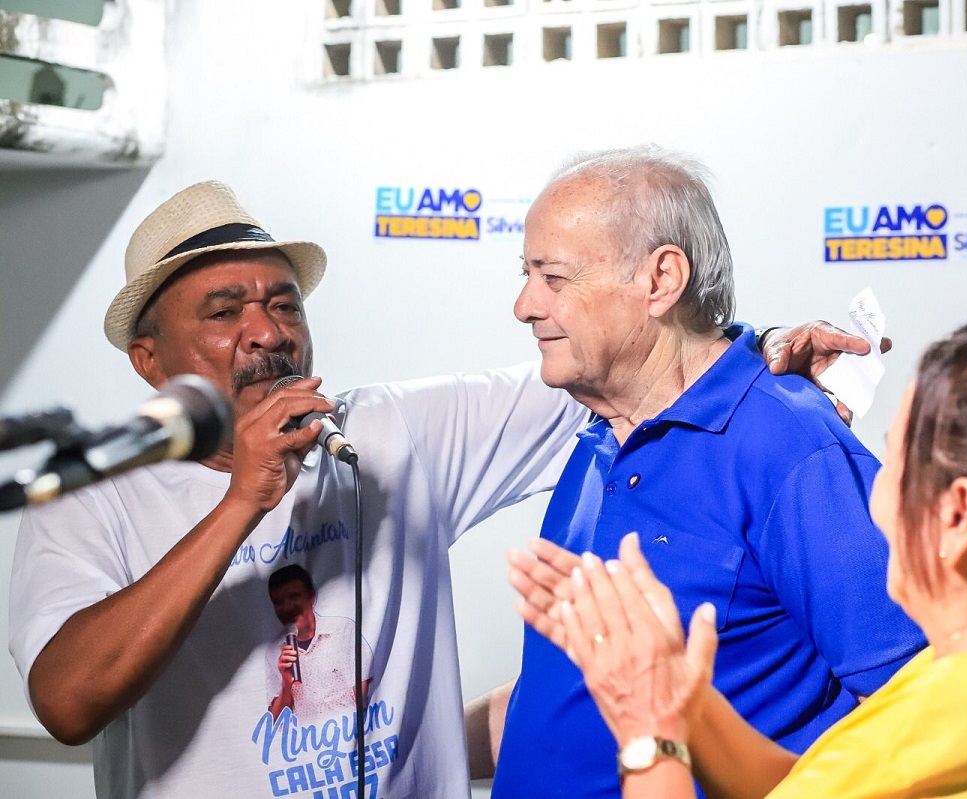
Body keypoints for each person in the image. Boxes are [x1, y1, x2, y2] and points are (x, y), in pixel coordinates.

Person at [7, 179, 863, 798]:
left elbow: (637, 357)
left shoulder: (386, 432)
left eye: (284, 303)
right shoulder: (96, 495)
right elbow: (67, 701)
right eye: (225, 312)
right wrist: (243, 503)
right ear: (149, 359)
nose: (268, 331)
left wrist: (768, 345)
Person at [516, 323, 967, 798]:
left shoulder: (966, 718)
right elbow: (826, 784)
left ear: (959, 517)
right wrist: (687, 701)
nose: (868, 492)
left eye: (891, 461)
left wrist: (649, 731)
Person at [483, 146, 924, 799]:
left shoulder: (792, 448)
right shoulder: (601, 430)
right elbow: (574, 687)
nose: (524, 304)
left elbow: (916, 721)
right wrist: (406, 741)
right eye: (525, 273)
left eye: (553, 276)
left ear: (661, 279)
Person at [266, 564, 372, 722]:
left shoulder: (342, 631)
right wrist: (286, 683)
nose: (287, 607)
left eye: (294, 597)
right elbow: (275, 722)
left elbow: (368, 689)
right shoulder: (275, 650)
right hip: (306, 744)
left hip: (347, 738)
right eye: (279, 602)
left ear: (312, 597)